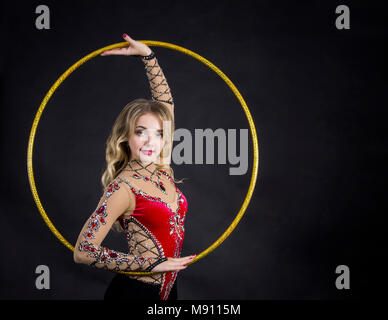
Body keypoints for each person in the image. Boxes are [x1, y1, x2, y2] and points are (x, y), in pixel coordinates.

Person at [73, 33, 195, 300]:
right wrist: (149, 264)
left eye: (159, 134)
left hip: (169, 291)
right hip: (134, 294)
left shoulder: (160, 166)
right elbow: (83, 250)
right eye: (141, 132)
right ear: (126, 137)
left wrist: (148, 57)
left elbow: (166, 106)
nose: (152, 141)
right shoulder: (123, 188)